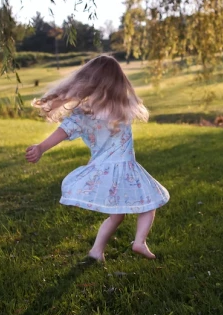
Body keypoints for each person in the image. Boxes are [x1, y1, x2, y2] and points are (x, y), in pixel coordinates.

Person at [25, 55, 169, 262]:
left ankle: (96, 251)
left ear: (87, 82)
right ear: (119, 82)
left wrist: (41, 148)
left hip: (102, 170)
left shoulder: (84, 114)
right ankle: (139, 242)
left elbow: (63, 131)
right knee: (150, 202)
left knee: (117, 215)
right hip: (126, 169)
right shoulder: (124, 108)